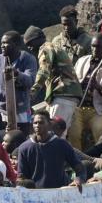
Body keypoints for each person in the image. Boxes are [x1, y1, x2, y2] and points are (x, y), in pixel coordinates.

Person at [30, 10, 84, 145]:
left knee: (53, 134)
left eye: (30, 44)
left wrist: (32, 92)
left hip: (63, 94)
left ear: (37, 40)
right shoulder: (54, 44)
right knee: (60, 134)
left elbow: (44, 71)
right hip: (69, 94)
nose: (30, 49)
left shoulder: (45, 48)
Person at [72, 33, 102, 151]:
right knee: (73, 131)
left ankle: (99, 159)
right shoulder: (81, 61)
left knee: (99, 131)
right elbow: (72, 82)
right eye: (93, 46)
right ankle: (76, 160)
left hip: (98, 111)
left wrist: (100, 88)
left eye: (98, 47)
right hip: (78, 107)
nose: (94, 50)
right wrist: (78, 84)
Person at [16, 110, 86, 189]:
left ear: (49, 124)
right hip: (36, 194)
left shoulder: (62, 144)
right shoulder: (24, 148)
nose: (37, 125)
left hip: (61, 192)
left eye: (41, 122)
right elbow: (22, 177)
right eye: (35, 123)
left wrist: (79, 179)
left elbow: (79, 168)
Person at [0, 31, 37, 134]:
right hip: (1, 111)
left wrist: (17, 74)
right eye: (1, 43)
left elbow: (30, 80)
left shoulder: (28, 59)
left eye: (6, 43)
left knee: (21, 139)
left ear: (16, 45)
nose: (2, 46)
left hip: (22, 111)